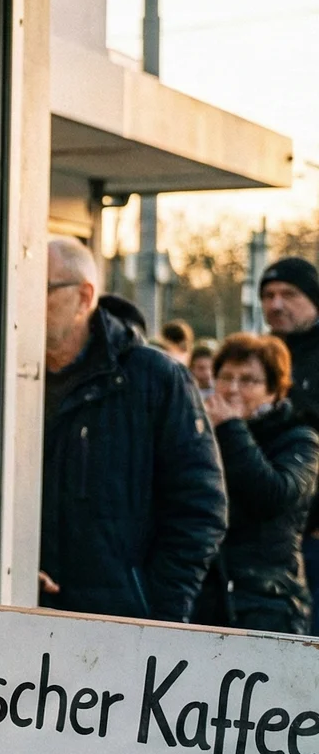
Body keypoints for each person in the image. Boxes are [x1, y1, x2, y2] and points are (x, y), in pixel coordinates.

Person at [38, 236, 226, 621]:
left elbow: (200, 507)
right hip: (20, 617)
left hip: (124, 632)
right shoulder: (8, 377)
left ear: (84, 297)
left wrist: (157, 609)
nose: (20, 299)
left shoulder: (155, 379)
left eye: (39, 288)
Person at [198, 333, 318, 634]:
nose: (233, 389)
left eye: (249, 380)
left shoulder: (301, 439)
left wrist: (231, 428)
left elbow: (272, 495)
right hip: (206, 598)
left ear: (275, 391)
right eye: (226, 377)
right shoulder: (204, 432)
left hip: (269, 601)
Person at [259, 256, 319, 633]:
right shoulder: (259, 357)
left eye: (289, 294)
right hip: (270, 536)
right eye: (268, 295)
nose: (276, 304)